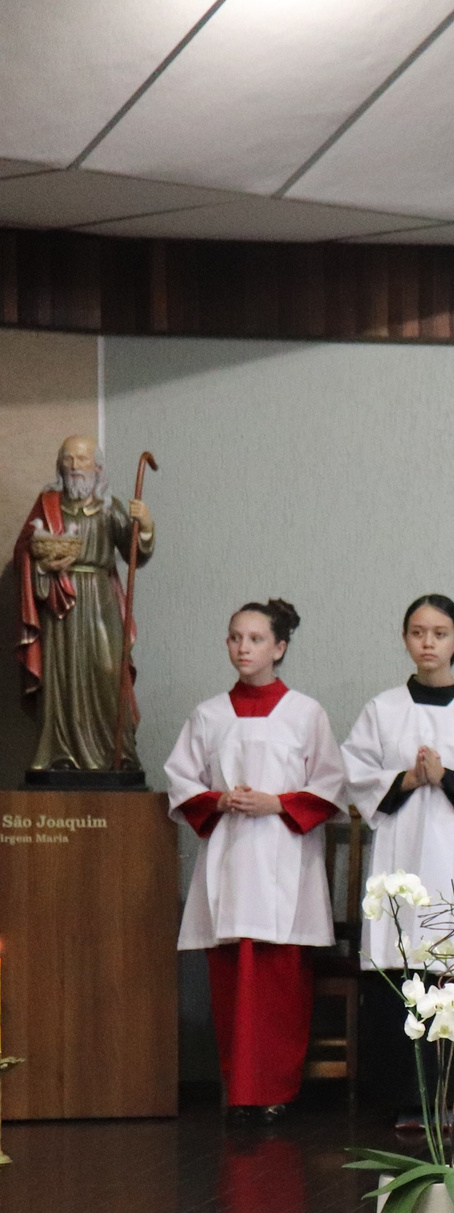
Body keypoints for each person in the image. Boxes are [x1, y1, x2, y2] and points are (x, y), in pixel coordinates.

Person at [340, 595, 454, 1126]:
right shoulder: (383, 709)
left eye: (440, 633)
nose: (428, 643)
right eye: (418, 633)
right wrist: (407, 779)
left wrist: (447, 778)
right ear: (405, 639)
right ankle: (408, 1099)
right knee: (402, 963)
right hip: (402, 851)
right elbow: (359, 776)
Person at [165, 600, 344, 1116]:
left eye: (256, 639)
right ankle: (238, 1092)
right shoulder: (209, 714)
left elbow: (330, 783)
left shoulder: (305, 713)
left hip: (285, 856)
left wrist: (278, 803)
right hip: (230, 856)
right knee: (231, 978)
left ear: (279, 647)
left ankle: (276, 1093)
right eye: (235, 637)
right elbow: (182, 780)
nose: (243, 648)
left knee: (280, 980)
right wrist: (219, 799)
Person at [13, 434, 153, 774]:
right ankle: (58, 753)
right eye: (69, 459)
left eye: (82, 459)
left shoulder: (109, 507)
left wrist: (146, 525)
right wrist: (42, 564)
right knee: (61, 677)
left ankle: (117, 754)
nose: (75, 466)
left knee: (109, 672)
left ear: (98, 467)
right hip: (59, 602)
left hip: (101, 600)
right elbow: (23, 551)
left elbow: (135, 554)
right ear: (60, 466)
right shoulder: (48, 504)